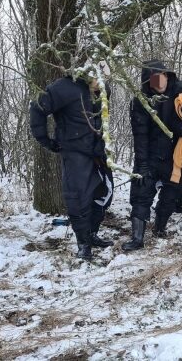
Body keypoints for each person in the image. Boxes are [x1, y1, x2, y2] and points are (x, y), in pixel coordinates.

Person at [30, 67, 114, 260]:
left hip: (98, 152)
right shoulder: (65, 87)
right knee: (78, 198)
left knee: (101, 193)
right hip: (74, 151)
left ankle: (92, 234)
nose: (103, 80)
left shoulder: (103, 89)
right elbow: (37, 106)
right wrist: (45, 140)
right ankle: (83, 244)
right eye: (99, 75)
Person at [122, 60, 182, 251]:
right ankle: (137, 237)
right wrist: (142, 164)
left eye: (162, 79)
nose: (159, 84)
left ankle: (160, 226)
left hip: (174, 153)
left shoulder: (181, 93)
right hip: (149, 154)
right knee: (141, 191)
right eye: (154, 81)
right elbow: (140, 135)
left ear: (168, 77)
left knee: (172, 193)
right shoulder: (140, 101)